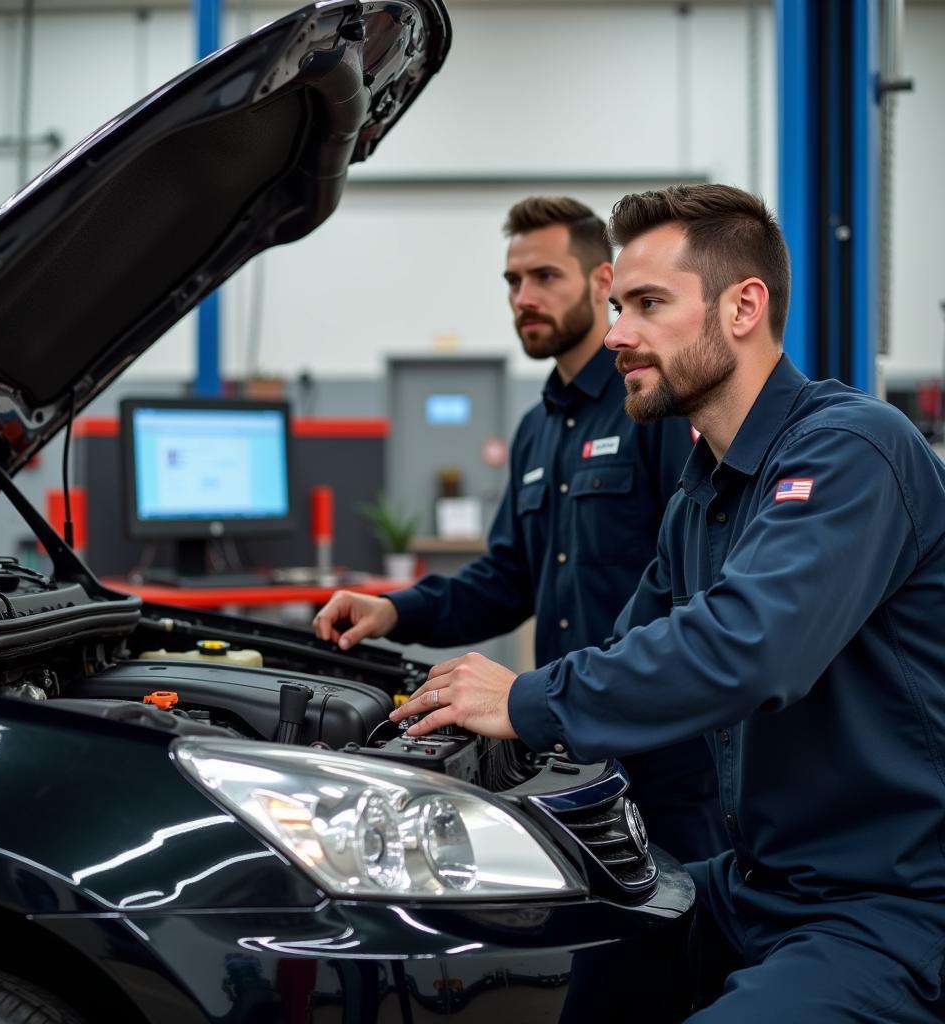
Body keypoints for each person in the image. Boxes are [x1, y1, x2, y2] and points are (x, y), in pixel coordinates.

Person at [388, 183, 945, 1022]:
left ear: (743, 306)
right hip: (758, 887)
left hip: (886, 906)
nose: (616, 335)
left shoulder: (853, 449)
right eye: (617, 306)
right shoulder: (700, 499)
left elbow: (752, 647)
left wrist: (529, 698)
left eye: (648, 304)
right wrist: (467, 736)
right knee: (534, 971)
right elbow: (626, 646)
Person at [314, 196, 725, 863]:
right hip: (570, 753)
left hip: (668, 765)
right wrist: (392, 610)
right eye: (513, 281)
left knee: (687, 945)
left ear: (601, 284)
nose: (524, 297)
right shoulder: (539, 431)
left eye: (545, 277)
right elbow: (507, 579)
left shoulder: (653, 409)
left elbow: (690, 583)